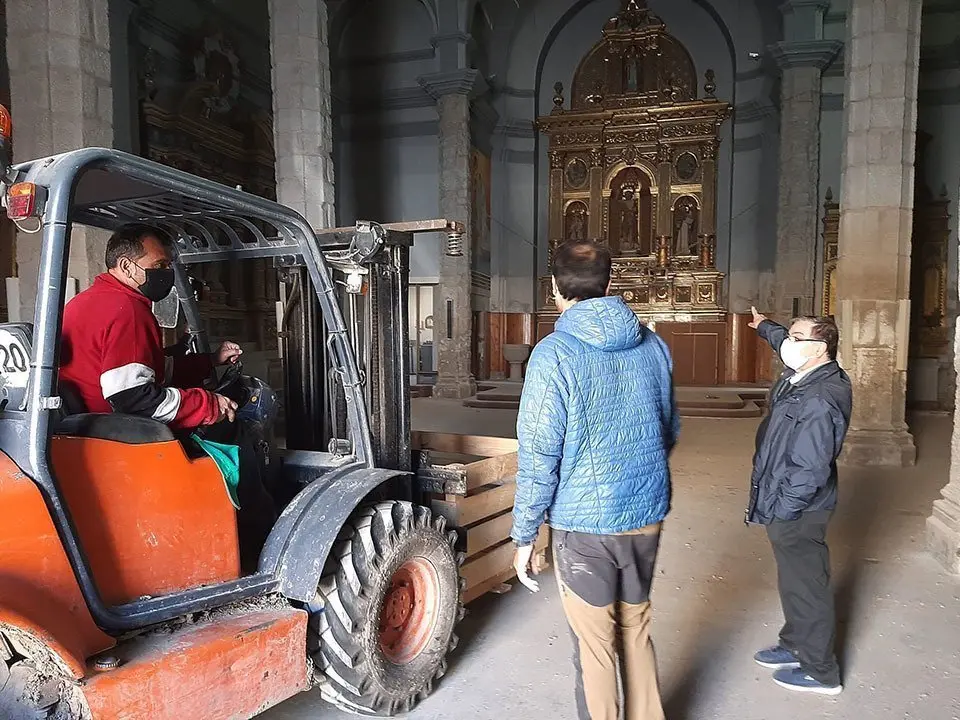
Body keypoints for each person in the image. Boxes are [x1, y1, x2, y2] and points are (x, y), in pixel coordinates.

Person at [511, 239, 679, 720]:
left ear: (555, 289)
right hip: (645, 514)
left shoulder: (553, 355)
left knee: (595, 644)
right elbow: (668, 430)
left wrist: (525, 535)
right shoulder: (653, 345)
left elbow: (541, 456)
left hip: (583, 525)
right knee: (636, 626)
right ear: (610, 282)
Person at [59, 223, 275, 569]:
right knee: (237, 437)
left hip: (90, 427)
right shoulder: (126, 309)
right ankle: (261, 547)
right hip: (124, 433)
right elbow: (133, 397)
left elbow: (144, 369)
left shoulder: (87, 302)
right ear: (128, 267)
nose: (167, 273)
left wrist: (209, 361)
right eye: (160, 266)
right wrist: (208, 405)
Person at [746, 307, 852, 696]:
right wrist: (765, 328)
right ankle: (795, 642)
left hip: (799, 506)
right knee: (794, 580)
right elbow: (782, 343)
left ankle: (821, 672)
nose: (787, 344)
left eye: (796, 337)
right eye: (787, 336)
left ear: (820, 347)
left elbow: (809, 468)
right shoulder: (807, 373)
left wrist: (784, 509)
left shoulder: (821, 397)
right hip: (785, 500)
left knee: (808, 585)